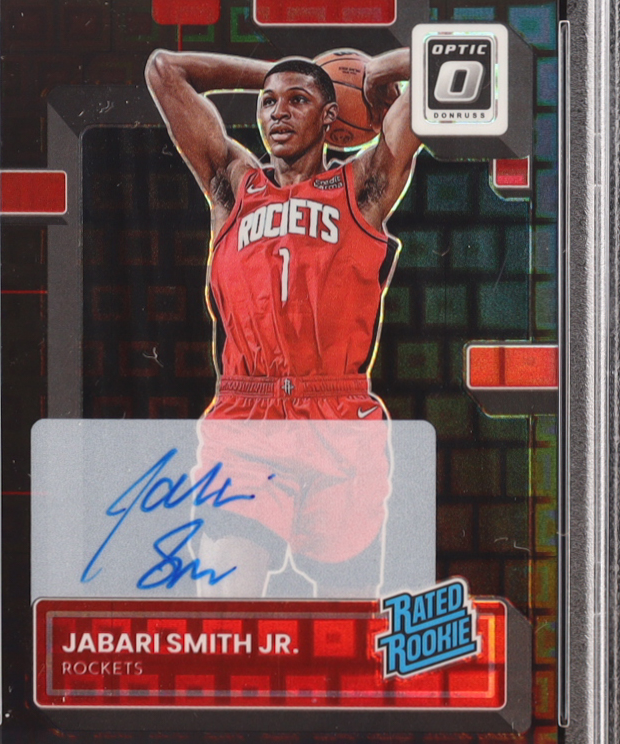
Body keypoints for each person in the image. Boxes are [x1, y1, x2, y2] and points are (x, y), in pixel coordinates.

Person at [145, 47, 420, 596]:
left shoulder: (363, 186)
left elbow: (437, 66)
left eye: (298, 101)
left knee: (347, 630)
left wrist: (376, 74)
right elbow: (163, 70)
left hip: (339, 420)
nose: (278, 112)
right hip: (247, 419)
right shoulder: (233, 185)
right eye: (268, 102)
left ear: (329, 117)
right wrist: (280, 73)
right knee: (228, 619)